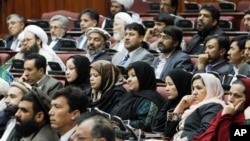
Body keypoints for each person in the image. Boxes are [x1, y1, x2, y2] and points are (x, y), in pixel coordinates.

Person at [163, 73, 225, 141]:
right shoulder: (193, 107)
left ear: (211, 89)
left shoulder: (214, 106)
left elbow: (205, 132)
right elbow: (168, 131)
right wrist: (180, 106)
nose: (194, 92)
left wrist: (183, 139)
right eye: (193, 88)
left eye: (199, 88)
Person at [111, 61, 165, 132]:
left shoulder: (150, 100)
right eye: (128, 76)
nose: (128, 80)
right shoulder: (129, 95)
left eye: (133, 75)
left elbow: (144, 124)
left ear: (143, 77)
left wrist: (119, 124)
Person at [193, 77, 250, 141]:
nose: (230, 100)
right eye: (230, 94)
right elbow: (206, 136)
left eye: (237, 96)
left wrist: (226, 117)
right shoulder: (225, 111)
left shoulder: (246, 118)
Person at [151, 69, 193, 133]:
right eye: (166, 85)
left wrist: (180, 106)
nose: (166, 89)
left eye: (170, 84)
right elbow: (155, 127)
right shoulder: (168, 103)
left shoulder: (188, 106)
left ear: (181, 85)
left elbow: (169, 130)